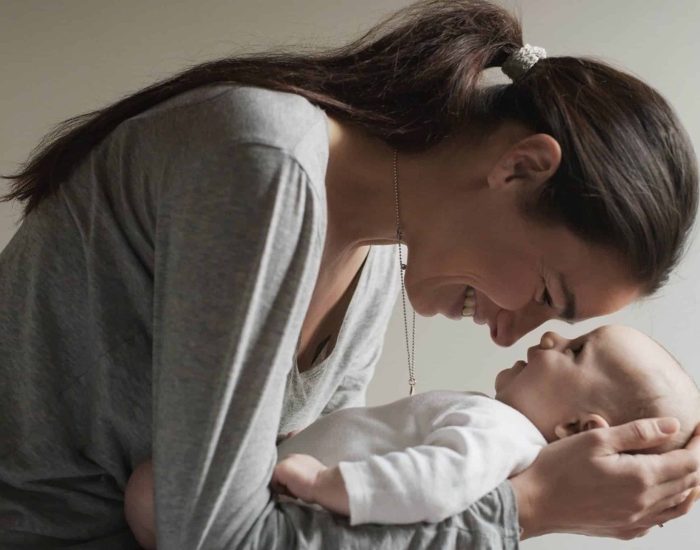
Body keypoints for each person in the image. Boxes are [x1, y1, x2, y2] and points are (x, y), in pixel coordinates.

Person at [1, 0, 699, 547]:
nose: (513, 334)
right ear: (519, 168)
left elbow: (309, 527)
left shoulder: (373, 268)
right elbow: (217, 539)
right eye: (547, 294)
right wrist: (530, 508)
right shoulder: (263, 165)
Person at [122, 325, 700, 548]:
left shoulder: (501, 433)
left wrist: (329, 482)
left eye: (576, 350)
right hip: (287, 486)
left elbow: (434, 485)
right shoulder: (498, 432)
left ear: (577, 429)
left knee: (152, 491)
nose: (549, 333)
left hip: (291, 500)